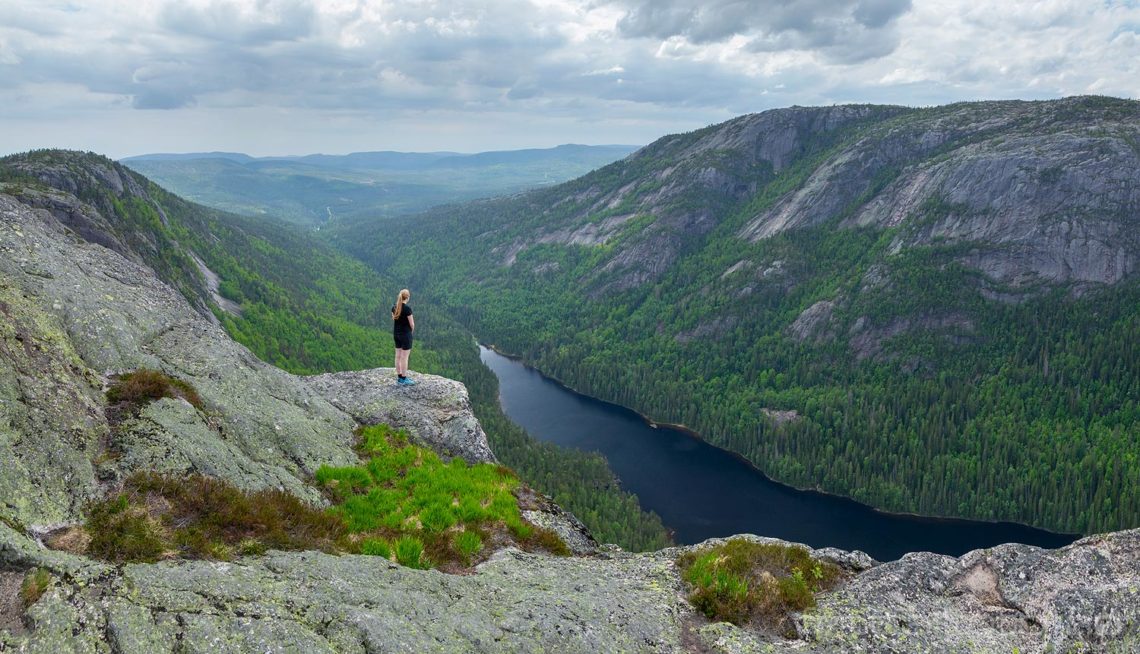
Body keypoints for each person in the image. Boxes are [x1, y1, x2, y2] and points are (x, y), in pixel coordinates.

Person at [392, 288, 416, 385]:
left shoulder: (394, 307)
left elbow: (394, 319)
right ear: (408, 297)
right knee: (404, 357)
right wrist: (411, 332)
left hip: (396, 334)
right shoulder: (407, 309)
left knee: (397, 356)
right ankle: (404, 379)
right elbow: (412, 324)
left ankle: (399, 377)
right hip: (405, 335)